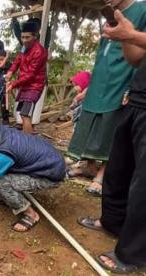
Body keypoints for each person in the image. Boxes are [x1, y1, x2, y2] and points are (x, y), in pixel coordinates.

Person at [78, 8, 146, 274]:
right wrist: (127, 37)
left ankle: (132, 254)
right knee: (118, 170)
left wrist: (131, 34)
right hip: (139, 96)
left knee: (143, 184)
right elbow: (136, 59)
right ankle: (112, 222)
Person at [66, 0, 146, 198]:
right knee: (90, 123)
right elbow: (101, 54)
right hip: (100, 79)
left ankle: (103, 174)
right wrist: (88, 87)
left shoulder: (142, 10)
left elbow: (138, 58)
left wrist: (131, 87)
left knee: (112, 127)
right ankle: (89, 166)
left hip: (122, 79)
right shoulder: (111, 14)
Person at [0, 109, 65, 232]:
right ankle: (8, 197)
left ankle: (31, 215)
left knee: (1, 184)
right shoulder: (2, 131)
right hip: (50, 162)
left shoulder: (1, 150)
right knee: (4, 171)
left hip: (50, 175)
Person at [6, 21, 48, 134]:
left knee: (25, 115)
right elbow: (18, 60)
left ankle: (28, 144)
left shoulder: (39, 51)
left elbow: (31, 74)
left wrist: (13, 84)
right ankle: (26, 141)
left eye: (27, 37)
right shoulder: (24, 47)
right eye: (22, 37)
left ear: (35, 36)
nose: (24, 40)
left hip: (34, 86)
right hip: (25, 85)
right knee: (23, 115)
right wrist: (10, 71)